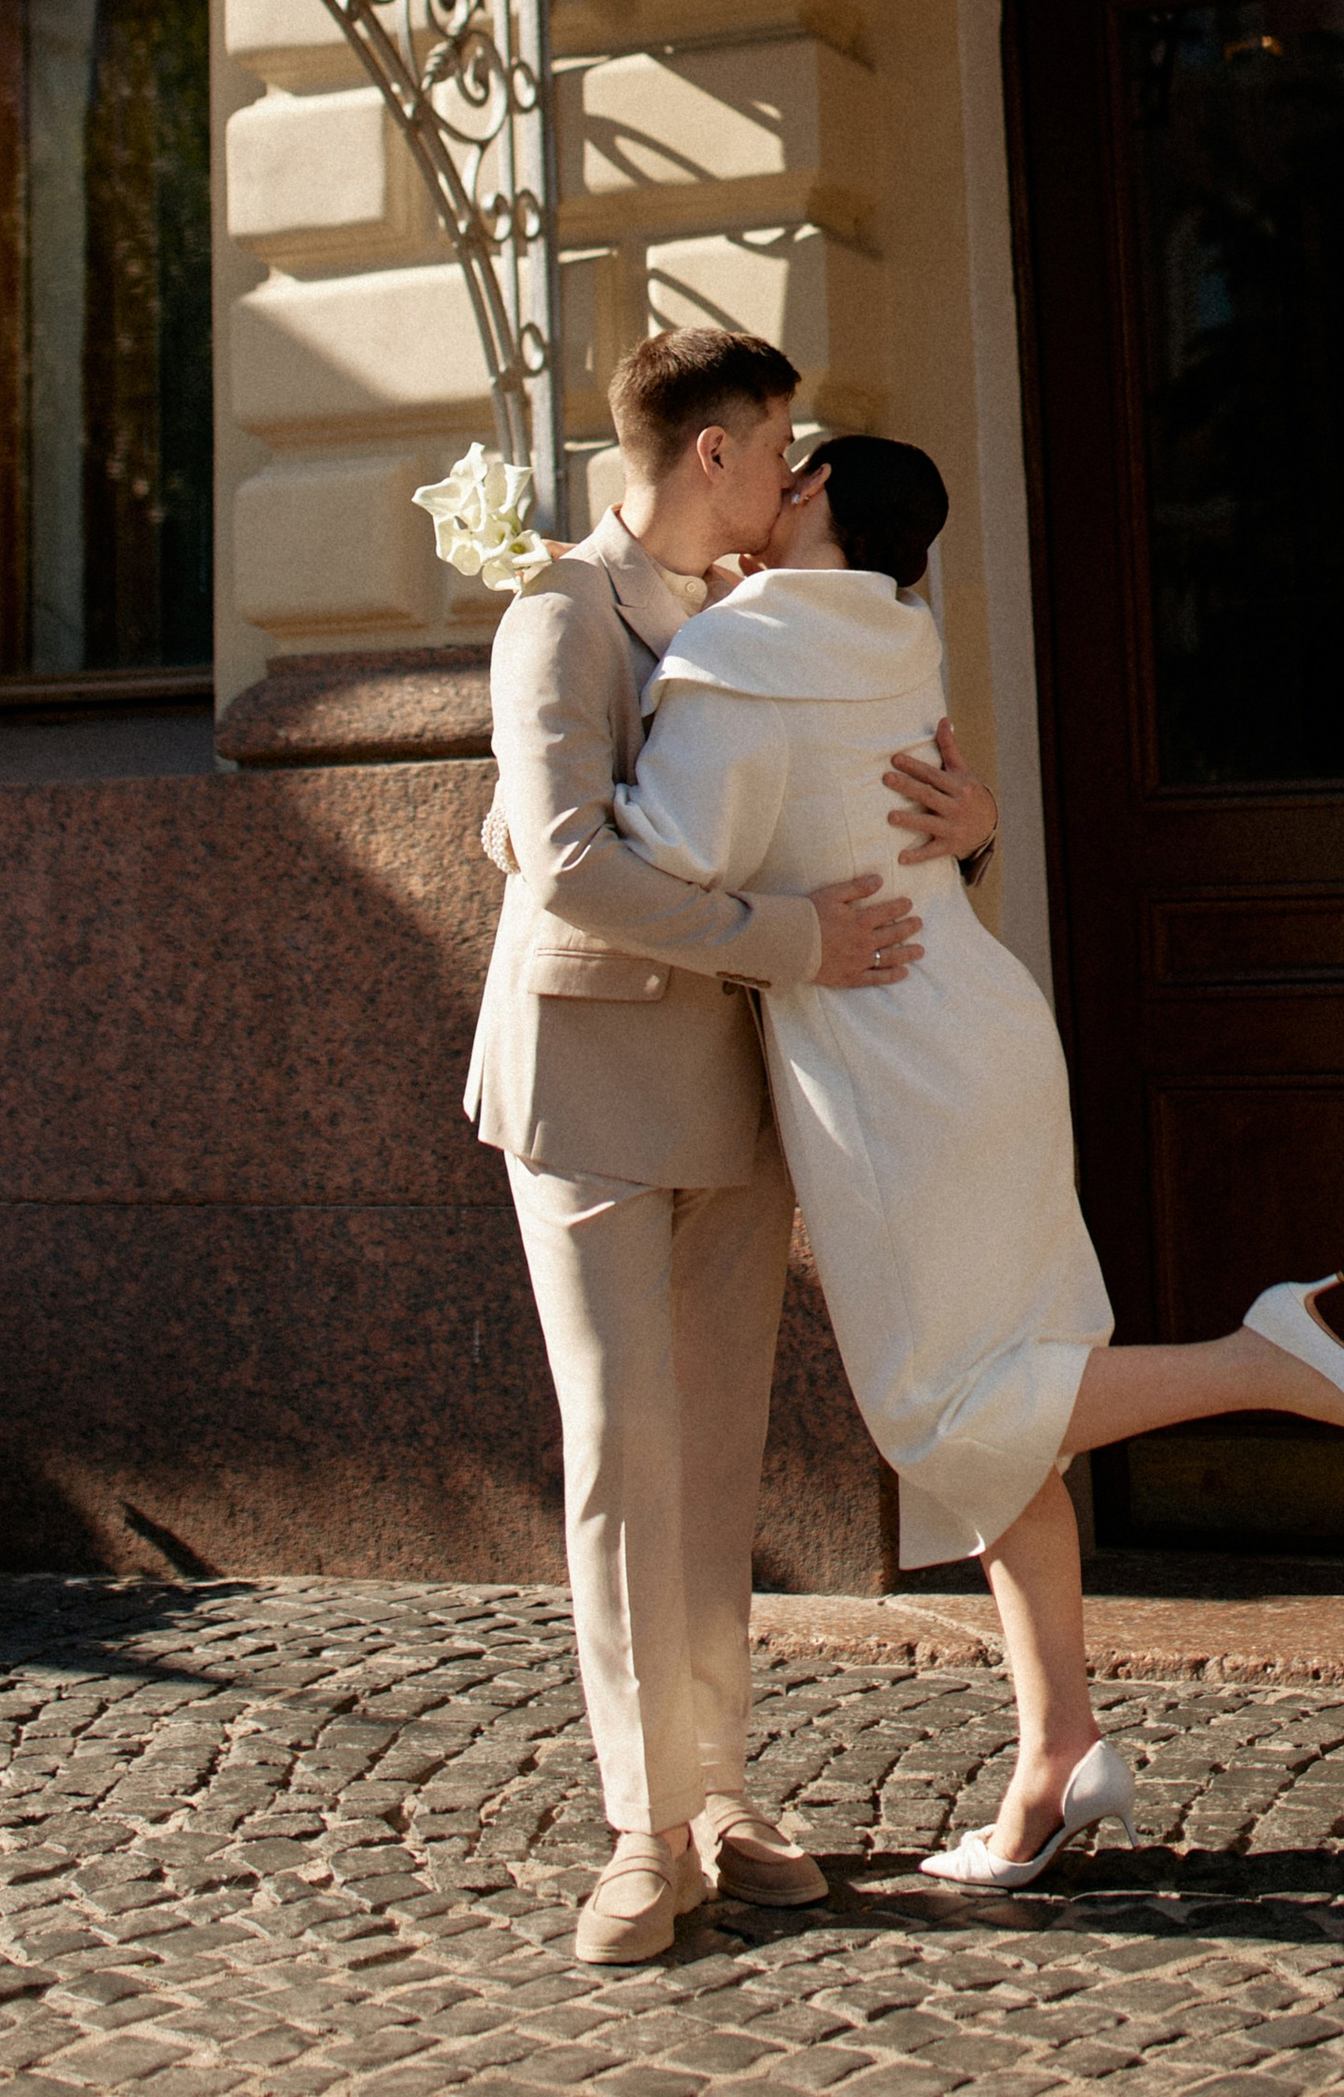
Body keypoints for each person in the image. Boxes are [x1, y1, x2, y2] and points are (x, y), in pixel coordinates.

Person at [615, 430, 1344, 1889]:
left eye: (789, 468)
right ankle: (1056, 1746)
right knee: (1016, 1407)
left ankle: (1267, 1359)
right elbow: (885, 802)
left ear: (806, 495)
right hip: (980, 1026)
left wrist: (524, 809)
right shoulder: (897, 633)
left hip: (892, 1067)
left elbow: (668, 848)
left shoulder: (741, 647)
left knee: (946, 1408)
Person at [466, 331, 999, 1963]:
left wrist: (967, 839)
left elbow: (877, 816)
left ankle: (714, 1789)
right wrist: (792, 938)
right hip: (587, 1080)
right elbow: (560, 864)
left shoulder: (772, 613)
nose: (797, 472)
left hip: (739, 1084)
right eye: (781, 444)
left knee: (712, 1459)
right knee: (623, 1447)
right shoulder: (559, 614)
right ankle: (639, 1830)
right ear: (716, 452)